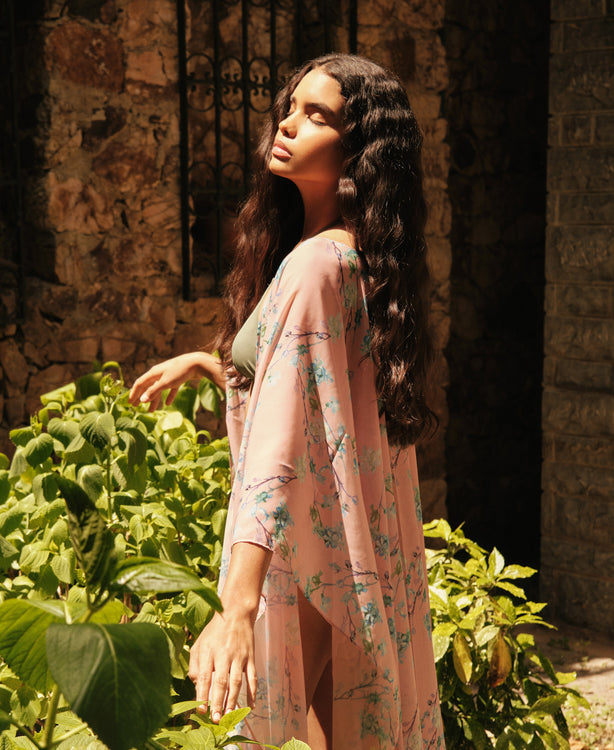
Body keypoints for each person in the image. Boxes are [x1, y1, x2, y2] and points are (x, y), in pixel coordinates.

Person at [130, 54, 445, 750]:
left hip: (303, 550)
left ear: (358, 150)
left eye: (319, 115)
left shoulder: (314, 266)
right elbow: (312, 390)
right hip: (336, 540)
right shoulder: (344, 255)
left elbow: (278, 444)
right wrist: (218, 366)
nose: (289, 124)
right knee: (335, 728)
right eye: (292, 106)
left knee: (306, 731)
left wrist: (237, 603)